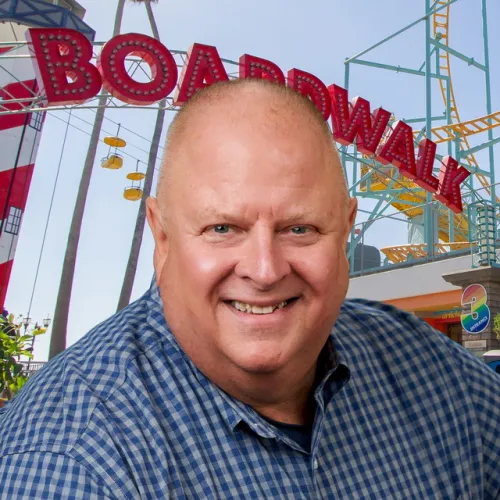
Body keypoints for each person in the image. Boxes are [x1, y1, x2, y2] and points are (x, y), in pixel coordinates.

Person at [0, 79, 499, 499]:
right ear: (163, 236)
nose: (264, 270)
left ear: (346, 229)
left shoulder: (429, 369)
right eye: (222, 228)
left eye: (300, 229)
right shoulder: (74, 461)